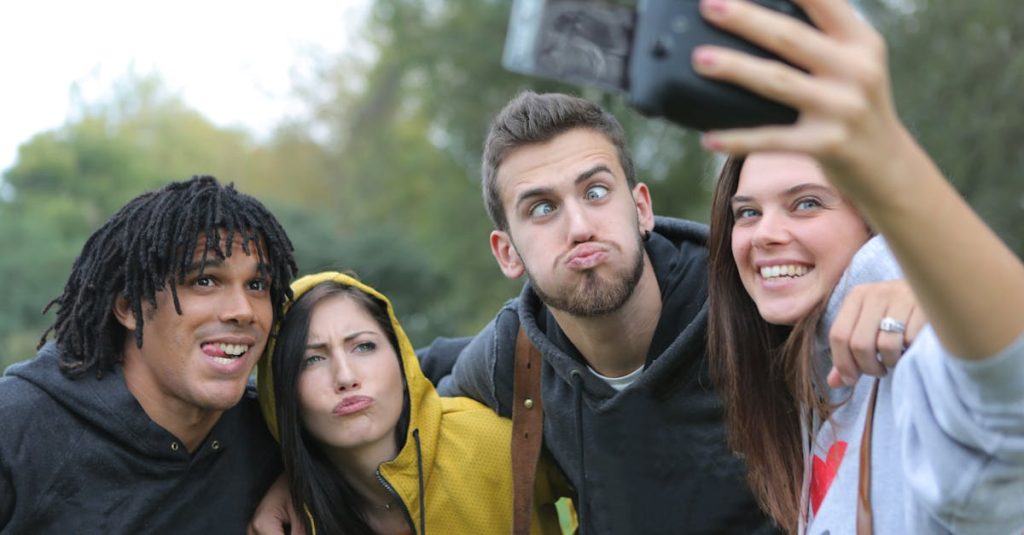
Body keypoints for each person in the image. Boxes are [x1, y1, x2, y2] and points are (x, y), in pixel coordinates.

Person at [414, 89, 919, 534]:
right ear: (507, 252)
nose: (579, 225)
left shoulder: (750, 301)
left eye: (595, 192)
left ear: (640, 208)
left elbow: (858, 274)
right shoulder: (516, 355)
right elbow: (404, 382)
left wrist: (915, 296)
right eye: (541, 208)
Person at [698, 0, 1024, 533]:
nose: (766, 234)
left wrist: (890, 163)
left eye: (807, 203)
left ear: (873, 221)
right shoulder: (809, 382)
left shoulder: (917, 354)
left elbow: (1012, 409)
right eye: (748, 212)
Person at [0, 176, 298, 533]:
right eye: (204, 280)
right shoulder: (16, 430)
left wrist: (301, 484)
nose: (243, 310)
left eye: (257, 285)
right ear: (129, 308)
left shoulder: (279, 435)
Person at [257, 271, 563, 534]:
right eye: (312, 359)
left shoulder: (495, 444)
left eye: (364, 346)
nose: (345, 376)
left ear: (403, 363)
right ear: (281, 395)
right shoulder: (285, 519)